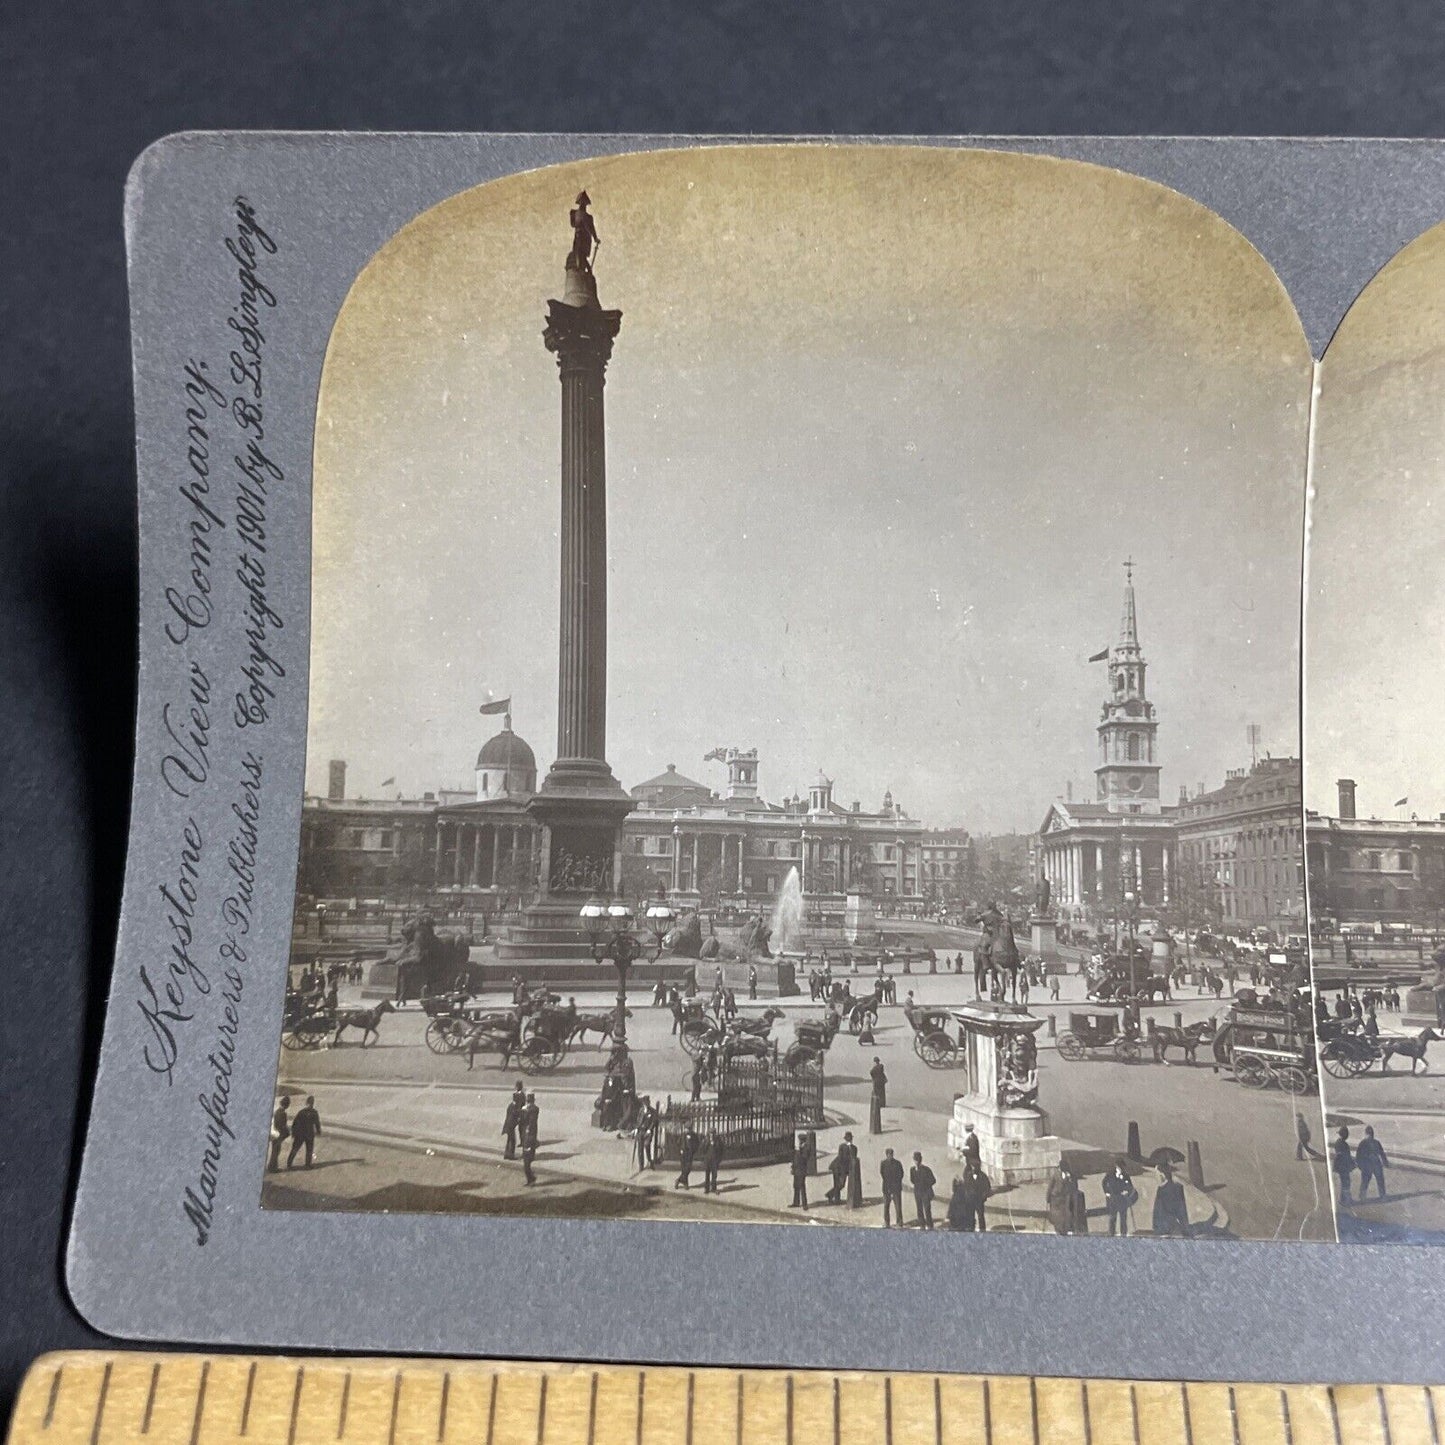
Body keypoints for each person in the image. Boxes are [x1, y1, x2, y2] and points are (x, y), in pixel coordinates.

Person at [1151, 1162, 1189, 1237]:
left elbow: (1181, 1211)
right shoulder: (1160, 1189)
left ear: (1162, 1175)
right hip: (1161, 1230)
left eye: (1157, 1174)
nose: (1155, 1177)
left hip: (1170, 1231)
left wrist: (1184, 1229)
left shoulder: (1175, 1189)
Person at [287, 1095, 322, 1169]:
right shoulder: (313, 1112)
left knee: (297, 1149)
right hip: (307, 1134)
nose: (310, 1105)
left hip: (302, 1134)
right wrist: (318, 1131)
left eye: (311, 1104)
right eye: (311, 1103)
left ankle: (290, 1164)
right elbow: (317, 1123)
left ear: (307, 1103)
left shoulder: (302, 1112)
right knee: (307, 1149)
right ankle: (307, 1165)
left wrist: (294, 1133)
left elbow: (295, 1123)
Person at [1102, 1160, 1135, 1236]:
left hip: (1122, 1198)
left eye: (1122, 1168)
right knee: (1112, 1216)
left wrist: (1127, 1191)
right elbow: (1104, 1182)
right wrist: (1106, 1192)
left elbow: (1130, 1186)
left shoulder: (1125, 1176)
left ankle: (1123, 1233)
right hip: (1113, 1197)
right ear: (1116, 1167)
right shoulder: (1110, 1175)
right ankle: (1111, 1233)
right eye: (1119, 1167)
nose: (1121, 1169)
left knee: (1123, 1217)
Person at [1355, 1125, 1388, 1200]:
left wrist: (1359, 1165)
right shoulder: (1376, 1142)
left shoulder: (1362, 1143)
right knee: (1380, 1180)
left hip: (1367, 1164)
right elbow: (1382, 1153)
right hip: (1376, 1163)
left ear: (1366, 1133)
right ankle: (1382, 1194)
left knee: (1365, 1180)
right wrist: (1385, 1162)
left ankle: (1362, 1195)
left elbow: (1358, 1155)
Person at [1046, 1163, 1077, 1235]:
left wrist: (1069, 1178)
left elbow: (1072, 1185)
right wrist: (1048, 1198)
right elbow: (1050, 1186)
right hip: (1055, 1196)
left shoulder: (1069, 1175)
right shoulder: (1055, 1174)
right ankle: (1058, 1229)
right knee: (1056, 1214)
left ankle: (1064, 1229)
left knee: (1064, 1213)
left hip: (1064, 1197)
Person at [826, 1133, 855, 1204]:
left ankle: (833, 1198)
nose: (849, 1141)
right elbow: (841, 1158)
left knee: (840, 1184)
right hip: (837, 1167)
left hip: (844, 1169)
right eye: (848, 1139)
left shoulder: (854, 1148)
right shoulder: (842, 1146)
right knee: (839, 1184)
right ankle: (832, 1197)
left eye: (850, 1139)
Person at [910, 1151, 937, 1229]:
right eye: (915, 1160)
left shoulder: (926, 1170)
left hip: (925, 1192)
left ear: (920, 1160)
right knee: (919, 1209)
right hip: (917, 1192)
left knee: (927, 1209)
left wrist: (925, 1184)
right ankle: (922, 1224)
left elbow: (933, 1180)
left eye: (918, 1160)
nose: (916, 1162)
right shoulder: (912, 1170)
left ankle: (929, 1225)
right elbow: (912, 1180)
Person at [879, 1148, 904, 1227]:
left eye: (891, 1154)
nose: (890, 1156)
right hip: (886, 1188)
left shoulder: (897, 1163)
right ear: (886, 1155)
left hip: (896, 1188)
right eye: (889, 1155)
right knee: (886, 1206)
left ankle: (899, 1222)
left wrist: (894, 1187)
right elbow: (883, 1174)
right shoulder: (883, 1163)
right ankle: (886, 1222)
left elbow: (901, 1175)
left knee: (898, 1207)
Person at [519, 1093, 540, 1185]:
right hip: (528, 1139)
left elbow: (528, 1122)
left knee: (526, 1163)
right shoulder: (531, 1109)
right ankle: (531, 1179)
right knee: (526, 1162)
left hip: (529, 1139)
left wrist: (524, 1111)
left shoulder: (533, 1110)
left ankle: (531, 1179)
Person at [1332, 1126, 1355, 1204]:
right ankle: (1344, 1199)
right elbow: (1344, 1155)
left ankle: (1344, 1199)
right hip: (1343, 1166)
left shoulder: (1339, 1142)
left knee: (1345, 1182)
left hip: (1341, 1165)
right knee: (1346, 1182)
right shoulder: (1342, 1144)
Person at [268, 1096, 291, 1173]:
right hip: (279, 1134)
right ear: (286, 1105)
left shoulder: (277, 1111)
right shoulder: (282, 1113)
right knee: (276, 1151)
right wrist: (287, 1131)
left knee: (275, 1150)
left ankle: (272, 1166)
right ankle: (273, 1168)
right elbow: (282, 1125)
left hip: (275, 1133)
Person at [790, 1138, 811, 1209]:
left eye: (800, 1140)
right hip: (796, 1169)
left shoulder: (806, 1148)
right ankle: (796, 1202)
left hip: (802, 1170)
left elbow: (804, 1158)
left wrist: (799, 1152)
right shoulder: (800, 1148)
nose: (799, 1142)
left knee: (802, 1186)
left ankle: (805, 1204)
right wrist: (793, 1168)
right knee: (796, 1186)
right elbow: (795, 1159)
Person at [868, 1058, 887, 1135]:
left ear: (874, 1062)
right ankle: (882, 1103)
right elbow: (882, 1073)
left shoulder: (874, 1068)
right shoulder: (881, 1066)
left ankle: (878, 1103)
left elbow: (871, 1073)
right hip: (881, 1081)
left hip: (876, 1081)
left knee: (876, 1092)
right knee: (882, 1092)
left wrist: (873, 1078)